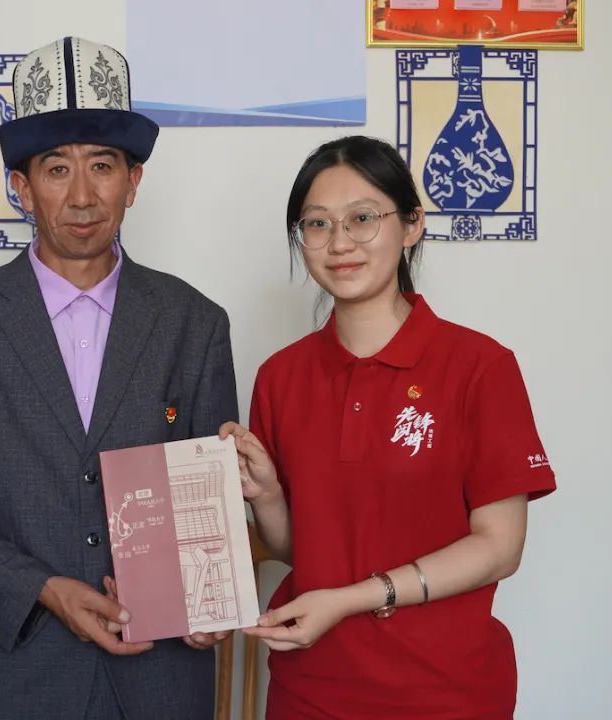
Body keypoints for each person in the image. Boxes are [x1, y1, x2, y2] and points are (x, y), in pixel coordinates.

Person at [0, 36, 237, 720]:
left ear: (133, 182)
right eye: (55, 169)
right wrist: (41, 587)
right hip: (4, 677)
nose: (81, 195)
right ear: (21, 186)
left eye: (102, 166)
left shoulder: (194, 323)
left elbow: (206, 498)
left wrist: (207, 600)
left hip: (158, 679)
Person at [222, 135, 556, 719]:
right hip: (310, 688)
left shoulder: (480, 367)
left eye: (363, 218)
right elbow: (304, 549)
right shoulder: (281, 377)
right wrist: (269, 495)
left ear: (411, 226)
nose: (339, 243)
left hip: (445, 692)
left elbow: (500, 548)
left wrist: (350, 600)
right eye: (318, 224)